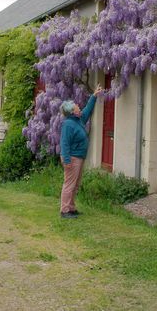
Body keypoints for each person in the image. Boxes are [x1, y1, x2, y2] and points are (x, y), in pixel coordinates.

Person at [59, 84, 102, 218]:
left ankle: (71, 208)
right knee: (69, 184)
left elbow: (87, 110)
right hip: (71, 158)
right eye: (76, 105)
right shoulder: (68, 124)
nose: (78, 105)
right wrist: (66, 160)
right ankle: (64, 210)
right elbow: (64, 144)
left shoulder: (78, 120)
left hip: (78, 157)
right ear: (72, 111)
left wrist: (94, 95)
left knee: (75, 184)